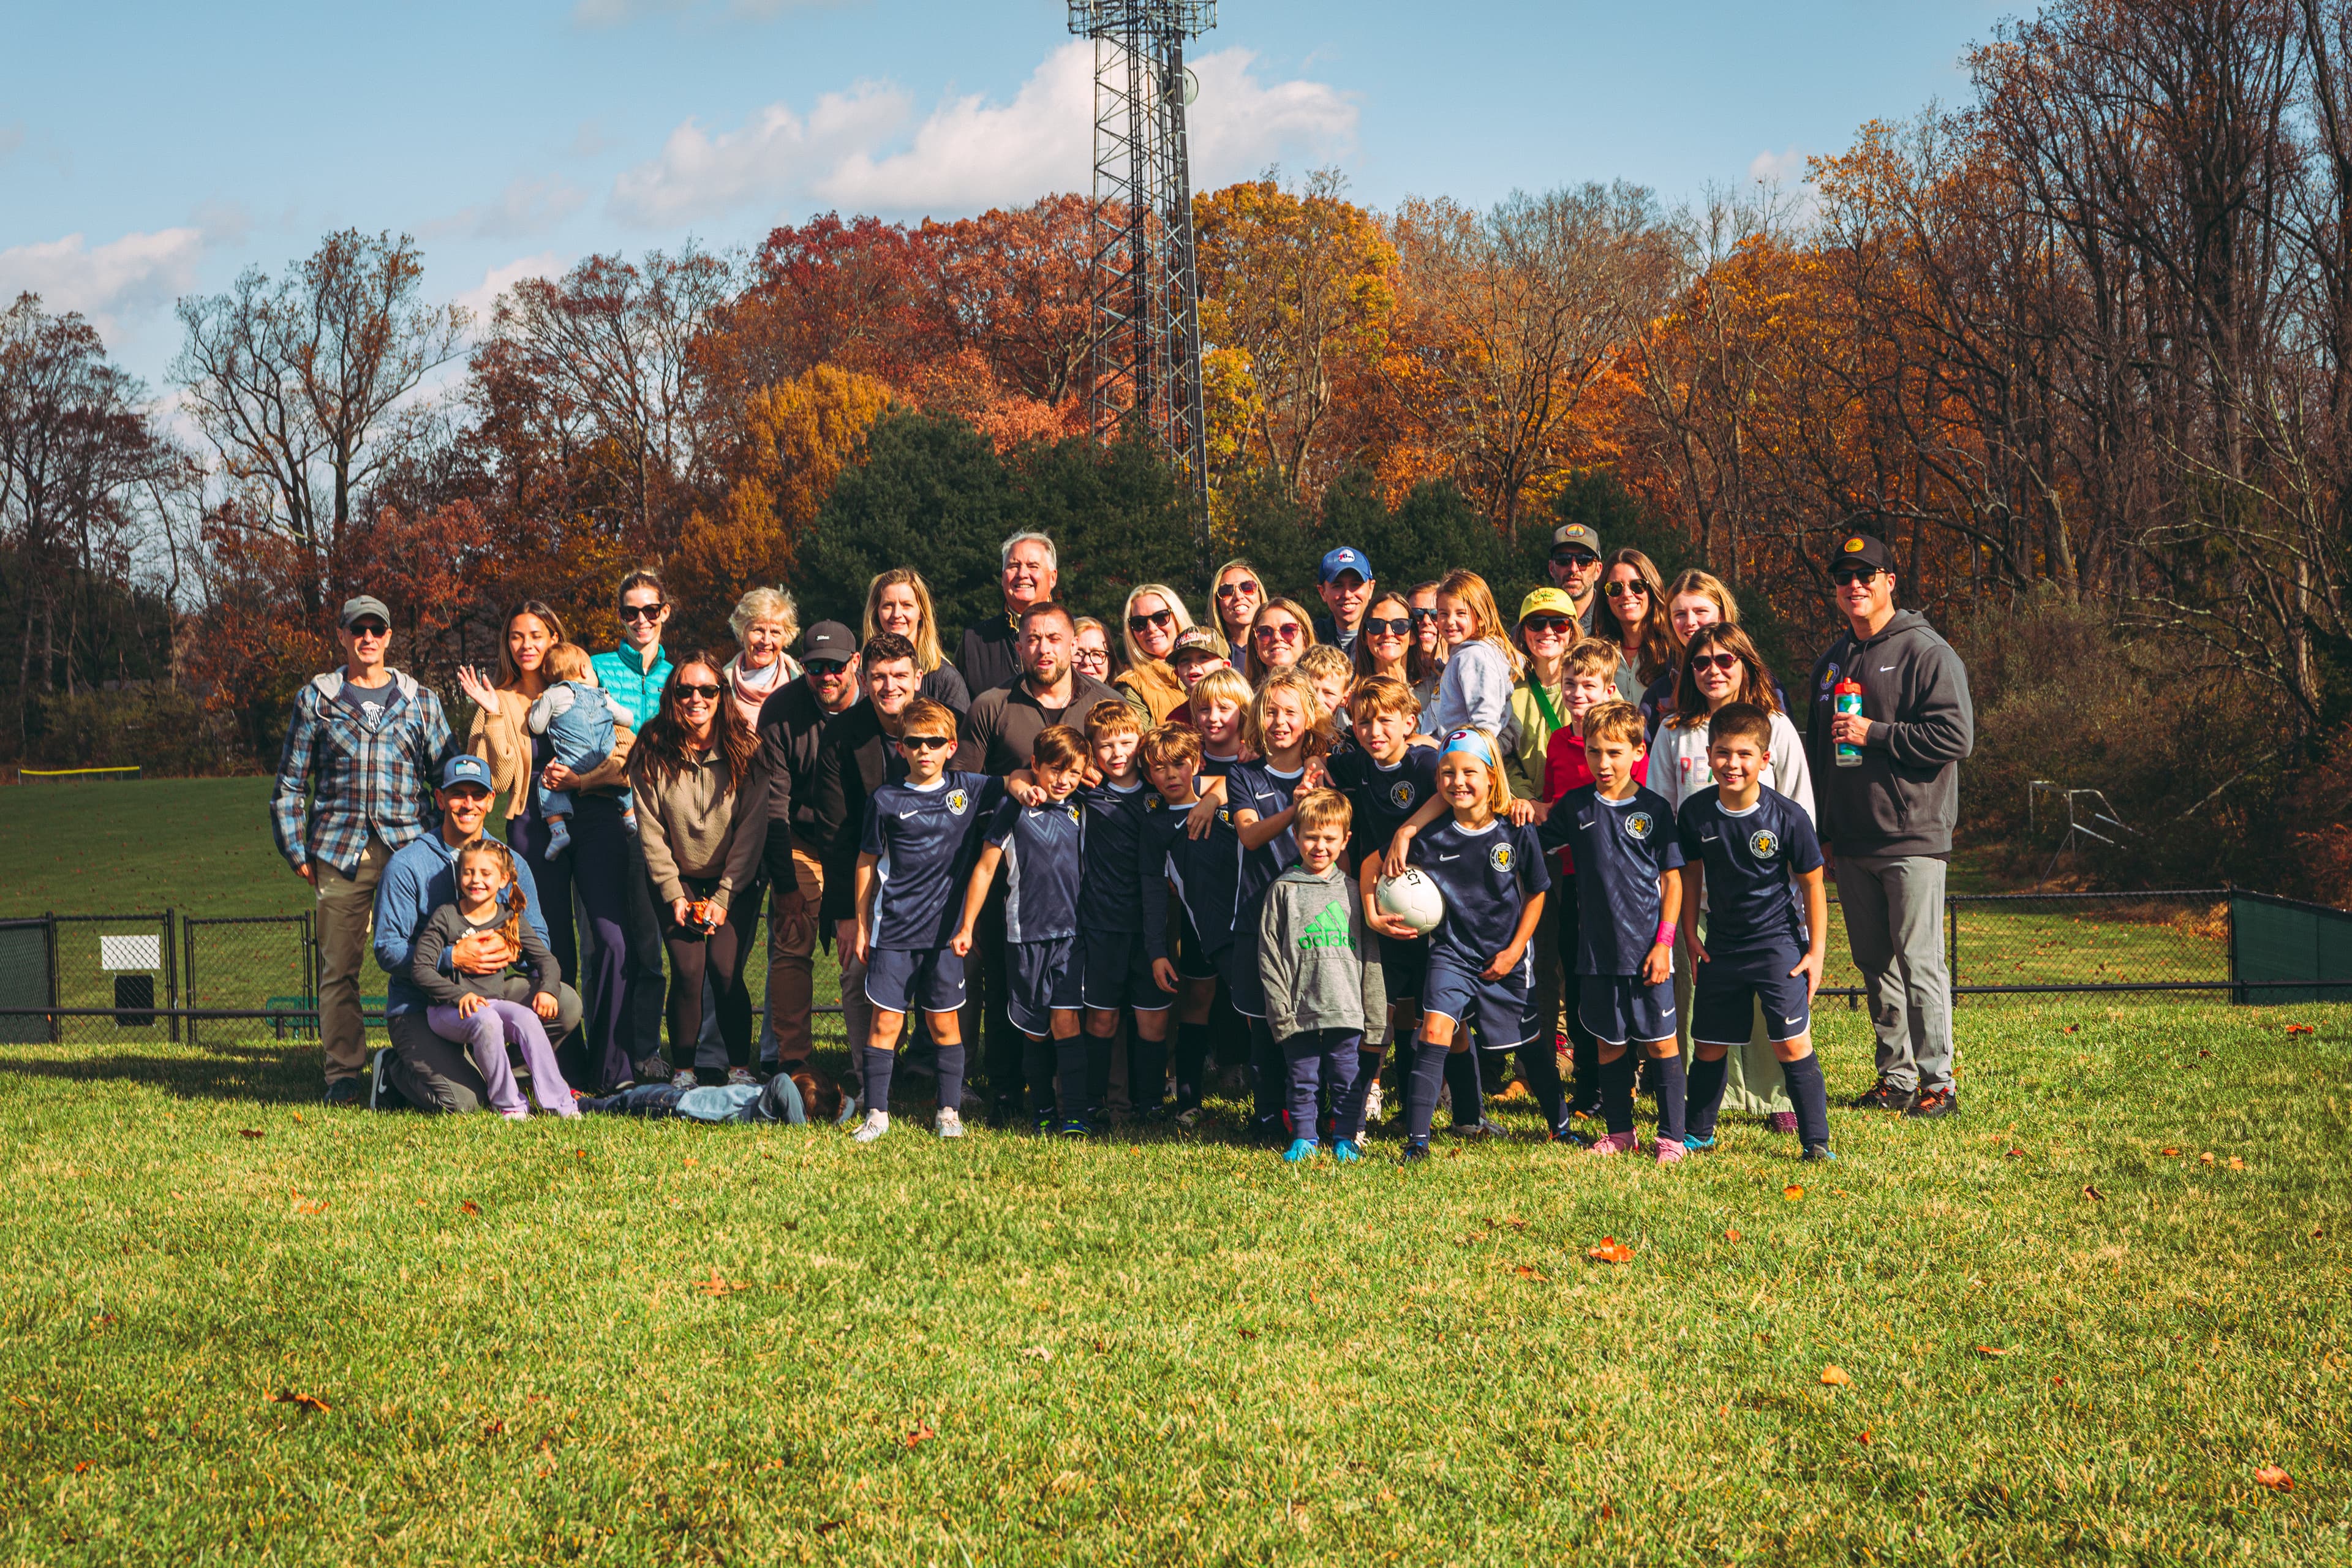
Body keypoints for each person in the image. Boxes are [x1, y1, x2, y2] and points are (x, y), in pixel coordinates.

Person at [1803, 532, 1974, 1120]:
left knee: (1920, 960)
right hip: (1850, 840)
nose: (1855, 585)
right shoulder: (1831, 662)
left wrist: (1875, 733)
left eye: (1867, 574)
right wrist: (1824, 829)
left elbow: (1956, 738)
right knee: (1876, 963)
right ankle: (1896, 1077)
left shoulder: (1926, 652)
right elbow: (1821, 757)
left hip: (1911, 836)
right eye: (1844, 576)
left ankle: (1939, 1084)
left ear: (1890, 581)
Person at [270, 594, 453, 1104]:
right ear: (343, 636)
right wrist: (297, 850)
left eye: (377, 628)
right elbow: (289, 784)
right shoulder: (317, 700)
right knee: (338, 969)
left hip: (411, 851)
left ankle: (430, 1062)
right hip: (340, 850)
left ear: (390, 637)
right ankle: (344, 1075)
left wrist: (443, 848)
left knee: (426, 957)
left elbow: (448, 777)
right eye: (358, 629)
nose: (368, 637)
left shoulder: (422, 701)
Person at [459, 601, 641, 1092]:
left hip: (597, 813)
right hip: (534, 826)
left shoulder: (589, 688)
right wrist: (495, 716)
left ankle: (613, 1069)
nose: (527, 645)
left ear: (554, 636)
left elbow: (627, 753)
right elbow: (492, 781)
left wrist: (583, 780)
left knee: (611, 940)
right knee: (550, 946)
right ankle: (562, 1070)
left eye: (537, 634)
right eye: (517, 637)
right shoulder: (495, 700)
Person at [957, 601, 1121, 1120]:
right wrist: (1008, 781)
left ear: (1074, 645)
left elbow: (1133, 767)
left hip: (1081, 884)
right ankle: (1010, 1091)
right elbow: (960, 783)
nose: (1043, 648)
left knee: (1076, 999)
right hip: (1015, 870)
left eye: (1054, 638)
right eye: (1032, 638)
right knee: (1013, 994)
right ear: (1019, 645)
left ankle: (1079, 1098)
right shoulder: (993, 704)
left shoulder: (1105, 702)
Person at [370, 754, 584, 1115]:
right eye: (458, 794)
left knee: (565, 1004)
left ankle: (496, 1075)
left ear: (490, 801)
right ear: (440, 799)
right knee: (464, 1104)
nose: (467, 804)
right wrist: (451, 957)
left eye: (477, 794)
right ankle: (393, 1070)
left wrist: (506, 948)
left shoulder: (510, 864)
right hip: (422, 1006)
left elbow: (541, 943)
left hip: (490, 993)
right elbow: (387, 949)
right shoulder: (408, 865)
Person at [1675, 704, 1834, 1161]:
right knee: (1707, 1045)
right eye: (1723, 753)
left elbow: (1813, 886)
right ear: (1709, 755)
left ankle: (1816, 1143)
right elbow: (1689, 878)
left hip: (1777, 946)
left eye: (1745, 754)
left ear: (1765, 759)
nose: (1733, 764)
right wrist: (1690, 935)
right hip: (1721, 947)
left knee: (1791, 1043)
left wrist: (1816, 951)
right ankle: (1699, 1134)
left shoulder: (1788, 817)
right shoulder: (1696, 814)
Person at [1387, 728, 1555, 1163]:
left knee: (1530, 1045)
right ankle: (1418, 1142)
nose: (1457, 781)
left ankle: (1562, 1126)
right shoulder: (1430, 835)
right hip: (1450, 953)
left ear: (1491, 775)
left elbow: (1537, 892)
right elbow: (1375, 866)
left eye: (1468, 771)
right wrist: (1401, 840)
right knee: (1436, 1030)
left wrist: (1516, 949)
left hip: (1507, 953)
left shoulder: (1515, 828)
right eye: (1446, 772)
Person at [850, 698, 1005, 1143]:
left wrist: (1030, 785)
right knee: (886, 1024)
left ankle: (948, 1111)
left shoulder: (969, 788)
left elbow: (1015, 783)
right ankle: (877, 1113)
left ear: (951, 746)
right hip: (894, 933)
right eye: (914, 743)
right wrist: (862, 925)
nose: (924, 750)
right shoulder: (885, 799)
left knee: (944, 1025)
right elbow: (865, 863)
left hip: (944, 938)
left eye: (934, 742)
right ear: (900, 748)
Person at [1537, 701, 1686, 1161]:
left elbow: (1673, 881)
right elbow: (1533, 842)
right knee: (1608, 1044)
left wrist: (1664, 945)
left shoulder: (1654, 809)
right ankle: (1620, 1131)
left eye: (1615, 753)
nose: (1604, 764)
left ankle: (1672, 1138)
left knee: (1662, 1045)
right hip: (1597, 954)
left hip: (1648, 954)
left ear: (1638, 752)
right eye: (1595, 753)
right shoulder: (1576, 807)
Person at [630, 655, 772, 1088]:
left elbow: (752, 831)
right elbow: (650, 830)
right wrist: (675, 895)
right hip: (678, 875)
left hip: (735, 876)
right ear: (672, 696)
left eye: (708, 690)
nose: (697, 699)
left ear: (721, 695)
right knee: (688, 970)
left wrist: (725, 897)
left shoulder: (747, 750)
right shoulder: (651, 748)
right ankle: (686, 1070)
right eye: (685, 690)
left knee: (725, 972)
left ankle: (739, 1068)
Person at [809, 632, 925, 1110]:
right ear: (864, 678)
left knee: (951, 969)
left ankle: (947, 1073)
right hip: (867, 872)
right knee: (857, 970)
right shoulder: (841, 736)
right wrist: (845, 915)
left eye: (900, 675)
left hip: (933, 876)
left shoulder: (942, 725)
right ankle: (870, 1077)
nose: (889, 686)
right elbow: (835, 835)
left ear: (918, 678)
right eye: (878, 677)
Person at [952, 725, 1089, 1133]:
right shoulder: (1014, 809)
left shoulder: (1082, 808)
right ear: (1035, 766)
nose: (1063, 780)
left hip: (1072, 937)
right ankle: (1042, 1110)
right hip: (1024, 937)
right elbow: (985, 869)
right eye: (1054, 770)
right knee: (1034, 1030)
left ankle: (1076, 1115)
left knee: (1067, 1022)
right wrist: (967, 925)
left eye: (1074, 773)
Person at [1219, 670, 1335, 1139]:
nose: (1280, 722)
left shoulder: (1329, 770)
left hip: (1316, 918)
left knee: (1318, 1020)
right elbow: (1249, 835)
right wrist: (1296, 806)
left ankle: (1319, 1114)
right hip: (1257, 915)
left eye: (1291, 712)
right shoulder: (1243, 774)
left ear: (1309, 718)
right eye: (1270, 712)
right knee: (1266, 1022)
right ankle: (1268, 1116)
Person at [1537, 639, 1649, 1117]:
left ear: (1609, 690)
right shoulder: (1559, 743)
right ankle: (1589, 1089)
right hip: (1574, 880)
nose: (1577, 693)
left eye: (1588, 685)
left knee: (1631, 985)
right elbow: (1551, 808)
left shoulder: (1625, 746)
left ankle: (1635, 1079)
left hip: (1627, 887)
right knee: (1580, 985)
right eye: (1569, 684)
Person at [1328, 676, 1443, 1128]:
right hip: (1381, 896)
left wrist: (1407, 829)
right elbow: (1322, 765)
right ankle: (1365, 1103)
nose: (1374, 730)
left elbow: (1444, 791)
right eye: (1363, 721)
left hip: (1430, 903)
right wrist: (1318, 761)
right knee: (1381, 1006)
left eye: (1384, 721)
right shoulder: (1358, 764)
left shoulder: (1425, 762)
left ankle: (1441, 1103)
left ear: (1410, 723)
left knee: (1428, 1007)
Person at [750, 620, 861, 1080]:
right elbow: (773, 806)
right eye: (816, 668)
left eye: (836, 666)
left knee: (862, 951)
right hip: (799, 837)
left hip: (861, 843)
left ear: (854, 663)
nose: (826, 677)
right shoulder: (781, 710)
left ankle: (869, 1061)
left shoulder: (877, 705)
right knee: (792, 937)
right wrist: (786, 883)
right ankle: (792, 1061)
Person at [1259, 788, 1387, 1163]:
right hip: (1298, 1011)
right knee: (1302, 1079)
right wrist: (1280, 1010)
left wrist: (1375, 1016)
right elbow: (1269, 955)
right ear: (1296, 837)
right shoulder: (1283, 890)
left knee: (1348, 1079)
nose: (1319, 846)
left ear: (1345, 840)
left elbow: (1370, 958)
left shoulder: (1354, 893)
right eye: (1311, 837)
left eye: (1329, 838)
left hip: (1346, 1010)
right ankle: (1303, 1138)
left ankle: (1346, 1137)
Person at [407, 840, 579, 1120]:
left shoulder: (510, 918)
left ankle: (558, 1101)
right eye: (468, 872)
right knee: (487, 1019)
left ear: (503, 880)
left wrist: (547, 990)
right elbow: (421, 969)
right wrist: (458, 995)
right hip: (446, 1010)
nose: (476, 880)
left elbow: (547, 961)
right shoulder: (446, 916)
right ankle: (509, 1104)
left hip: (493, 1003)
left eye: (486, 874)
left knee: (526, 1019)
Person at [591, 568, 676, 1074]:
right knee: (614, 945)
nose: (641, 620)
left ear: (664, 612)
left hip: (666, 823)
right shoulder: (597, 667)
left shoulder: (680, 675)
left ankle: (651, 1050)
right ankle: (614, 1056)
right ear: (620, 616)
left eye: (650, 610)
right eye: (630, 612)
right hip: (607, 816)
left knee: (658, 946)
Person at [1136, 724, 1221, 1118]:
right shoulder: (1154, 826)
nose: (1170, 775)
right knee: (1195, 1006)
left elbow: (1236, 779)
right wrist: (1157, 951)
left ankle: (1276, 1104)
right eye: (1158, 768)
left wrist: (1213, 798)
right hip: (1199, 934)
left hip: (1245, 928)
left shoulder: (1226, 803)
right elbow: (1153, 894)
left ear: (1197, 765)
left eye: (1179, 765)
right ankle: (1189, 1101)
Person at [526, 643, 636, 857]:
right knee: (619, 776)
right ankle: (629, 816)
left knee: (547, 783)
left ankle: (558, 831)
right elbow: (628, 719)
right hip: (605, 755)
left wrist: (535, 707)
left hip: (574, 760)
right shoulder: (602, 695)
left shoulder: (552, 696)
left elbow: (537, 725)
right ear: (585, 669)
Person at [1420, 571, 1520, 740]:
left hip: (1462, 752)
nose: (1450, 621)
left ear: (1481, 617)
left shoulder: (1474, 656)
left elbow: (1485, 720)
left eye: (1461, 613)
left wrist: (1470, 754)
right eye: (1443, 614)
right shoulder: (1463, 654)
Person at [958, 531, 1058, 697]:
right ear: (1003, 576)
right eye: (1013, 566)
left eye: (1033, 566)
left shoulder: (1077, 634)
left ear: (1053, 578)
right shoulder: (974, 641)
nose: (1022, 574)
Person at [864, 567, 970, 715]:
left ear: (921, 613)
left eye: (907, 605)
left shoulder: (946, 680)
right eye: (888, 606)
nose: (897, 614)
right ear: (876, 613)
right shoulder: (865, 675)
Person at [723, 587, 804, 734]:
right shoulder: (721, 684)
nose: (766, 641)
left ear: (786, 636)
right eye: (758, 630)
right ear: (742, 632)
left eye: (775, 632)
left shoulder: (802, 679)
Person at [1598, 548, 1674, 704]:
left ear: (1652, 591)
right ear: (1606, 598)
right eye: (1615, 588)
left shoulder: (1673, 651)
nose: (1626, 594)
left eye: (1637, 586)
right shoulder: (1597, 653)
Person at [1114, 584, 1196, 726]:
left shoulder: (1213, 665)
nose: (1151, 628)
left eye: (1161, 617)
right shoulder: (1132, 688)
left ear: (1177, 617)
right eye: (1139, 623)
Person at [1311, 546, 1376, 656]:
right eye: (1337, 586)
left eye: (1356, 585)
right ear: (1322, 592)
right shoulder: (1309, 638)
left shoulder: (1388, 637)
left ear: (1371, 588)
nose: (1347, 595)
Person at [1161, 625, 1227, 728]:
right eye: (1185, 660)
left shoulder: (1241, 706)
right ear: (1177, 673)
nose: (1193, 665)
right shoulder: (1176, 719)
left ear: (1225, 667)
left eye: (1203, 657)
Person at [1242, 597, 1318, 686]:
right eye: (1265, 632)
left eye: (1288, 629)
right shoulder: (1245, 698)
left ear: (1305, 639)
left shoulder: (1324, 693)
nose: (1277, 637)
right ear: (1256, 646)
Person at [1546, 522, 1606, 633]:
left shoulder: (1614, 623)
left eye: (1584, 560)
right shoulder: (1534, 627)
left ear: (1598, 570)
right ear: (1551, 568)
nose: (1573, 568)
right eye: (1563, 560)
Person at [1205, 558, 1265, 659]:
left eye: (1248, 587)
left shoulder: (1279, 649)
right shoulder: (1208, 658)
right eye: (1226, 591)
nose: (1238, 596)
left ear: (1260, 596)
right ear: (1217, 604)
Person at [1405, 581, 1447, 713]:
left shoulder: (1464, 672)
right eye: (1417, 615)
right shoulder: (1396, 679)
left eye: (1435, 614)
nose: (1426, 621)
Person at [1297, 644, 1355, 737]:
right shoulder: (1288, 736)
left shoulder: (1352, 738)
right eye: (1310, 690)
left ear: (1345, 698)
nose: (1318, 699)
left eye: (1328, 693)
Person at [1072, 616, 1117, 685]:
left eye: (1096, 654)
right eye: (1078, 653)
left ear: (1110, 665)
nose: (1087, 661)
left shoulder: (1121, 696)